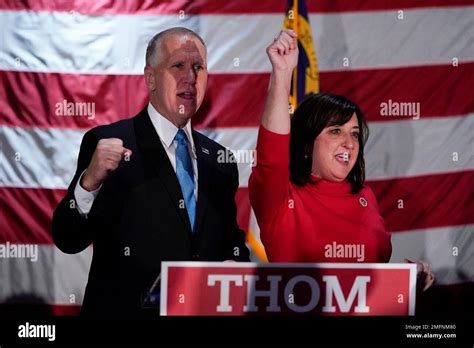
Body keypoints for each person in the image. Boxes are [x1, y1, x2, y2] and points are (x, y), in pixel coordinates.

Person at [52, 27, 249, 318]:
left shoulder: (220, 161)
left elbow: (231, 245)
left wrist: (235, 268)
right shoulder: (109, 143)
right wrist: (89, 182)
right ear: (150, 78)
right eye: (178, 66)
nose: (191, 78)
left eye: (198, 67)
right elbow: (68, 238)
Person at [249, 30, 434, 291]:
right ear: (306, 144)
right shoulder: (280, 198)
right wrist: (282, 74)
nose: (350, 143)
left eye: (355, 134)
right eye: (336, 131)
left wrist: (411, 277)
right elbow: (271, 155)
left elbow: (370, 281)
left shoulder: (365, 196)